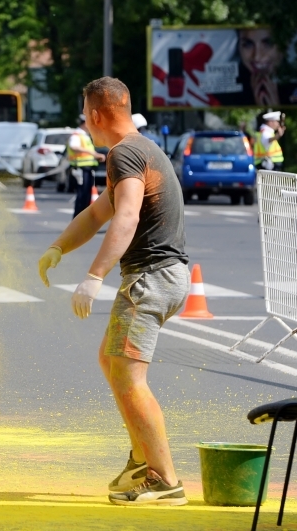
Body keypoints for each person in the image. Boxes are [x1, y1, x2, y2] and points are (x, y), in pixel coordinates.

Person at [38, 77, 190, 506]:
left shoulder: (124, 153)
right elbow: (97, 213)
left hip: (150, 279)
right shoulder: (141, 148)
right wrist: (57, 248)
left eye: (85, 115)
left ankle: (164, 479)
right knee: (110, 359)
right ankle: (142, 458)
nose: (85, 124)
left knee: (127, 376)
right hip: (166, 275)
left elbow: (125, 217)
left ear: (96, 114)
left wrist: (93, 276)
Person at [67, 114, 105, 218]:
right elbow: (74, 147)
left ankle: (82, 219)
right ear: (85, 124)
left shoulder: (84, 135)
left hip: (87, 169)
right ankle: (78, 219)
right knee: (82, 195)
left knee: (86, 195)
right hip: (80, 168)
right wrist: (94, 154)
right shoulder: (76, 135)